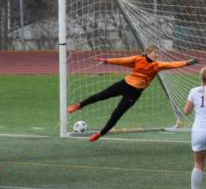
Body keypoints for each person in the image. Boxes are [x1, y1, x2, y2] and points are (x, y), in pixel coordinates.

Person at [66, 45, 196, 142]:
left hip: (134, 93)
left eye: (158, 53)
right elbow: (122, 60)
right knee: (101, 95)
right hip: (124, 84)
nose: (157, 55)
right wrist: (107, 61)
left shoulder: (158, 65)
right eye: (155, 52)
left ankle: (101, 133)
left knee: (117, 113)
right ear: (148, 53)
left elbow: (173, 64)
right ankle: (79, 105)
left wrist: (187, 63)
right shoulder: (138, 59)